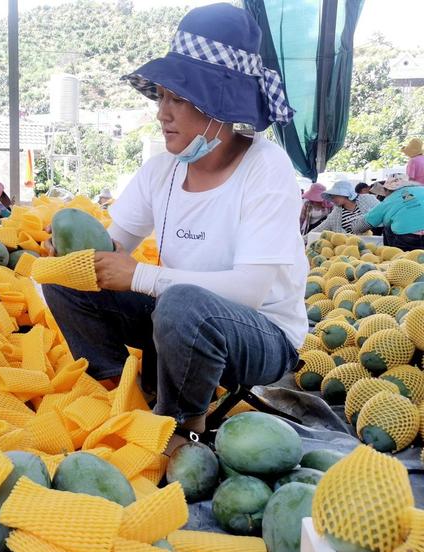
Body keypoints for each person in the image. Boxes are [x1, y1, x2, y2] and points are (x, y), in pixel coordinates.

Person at [42, 3, 306, 445]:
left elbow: (250, 290)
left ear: (218, 106)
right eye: (161, 95)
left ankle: (182, 427)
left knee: (183, 303)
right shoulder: (160, 171)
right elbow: (111, 247)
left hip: (260, 334)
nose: (162, 112)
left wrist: (141, 275)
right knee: (64, 280)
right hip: (177, 320)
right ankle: (121, 395)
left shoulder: (266, 167)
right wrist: (71, 252)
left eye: (178, 99)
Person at [361, 175, 424, 250]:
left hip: (407, 238)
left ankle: (391, 254)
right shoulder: (422, 189)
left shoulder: (389, 200)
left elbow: (365, 224)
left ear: (388, 190)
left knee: (387, 227)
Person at [313, 181, 379, 234]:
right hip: (350, 247)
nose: (333, 199)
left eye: (335, 195)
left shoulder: (368, 199)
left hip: (374, 243)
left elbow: (382, 212)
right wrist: (304, 239)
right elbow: (321, 227)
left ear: (345, 194)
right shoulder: (336, 213)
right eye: (332, 197)